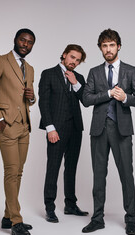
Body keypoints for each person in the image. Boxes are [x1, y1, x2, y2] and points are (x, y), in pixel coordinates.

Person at [81, 29, 135, 235]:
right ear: (100, 48)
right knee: (99, 176)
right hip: (99, 130)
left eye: (111, 45)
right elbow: (86, 99)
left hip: (122, 129)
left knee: (127, 175)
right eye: (104, 46)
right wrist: (108, 93)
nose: (108, 49)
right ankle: (97, 218)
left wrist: (125, 97)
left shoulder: (131, 71)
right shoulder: (94, 72)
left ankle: (130, 220)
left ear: (118, 46)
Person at [0, 28, 36, 235]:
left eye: (30, 42)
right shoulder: (0, 61)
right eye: (23, 40)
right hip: (7, 125)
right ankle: (16, 220)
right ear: (15, 40)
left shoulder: (29, 68)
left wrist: (32, 97)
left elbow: (28, 98)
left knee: (18, 172)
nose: (25, 44)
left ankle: (7, 216)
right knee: (11, 172)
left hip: (24, 126)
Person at [38, 44, 88, 223]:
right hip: (56, 129)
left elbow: (86, 100)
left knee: (71, 167)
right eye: (72, 57)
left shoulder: (79, 77)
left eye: (78, 60)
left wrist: (75, 83)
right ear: (65, 55)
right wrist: (50, 128)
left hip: (76, 129)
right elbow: (43, 103)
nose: (74, 61)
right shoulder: (48, 74)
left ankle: (70, 204)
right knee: (53, 167)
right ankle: (49, 208)